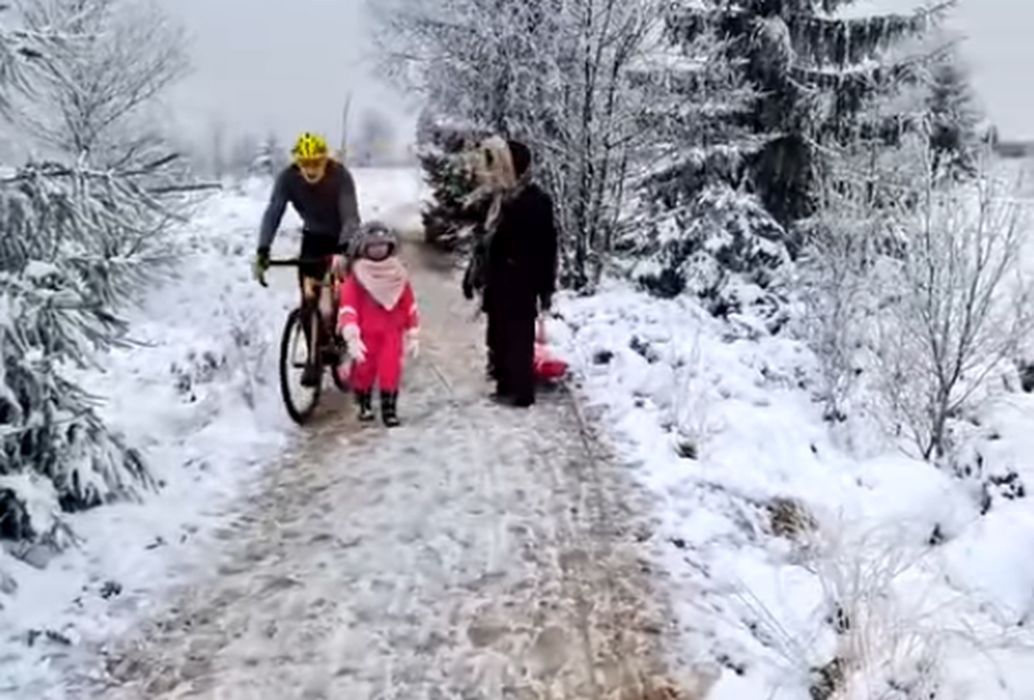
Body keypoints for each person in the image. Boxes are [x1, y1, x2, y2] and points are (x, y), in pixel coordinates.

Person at [252, 132, 361, 386]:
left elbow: (350, 215)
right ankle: (315, 355)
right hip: (313, 237)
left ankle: (347, 332)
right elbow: (273, 211)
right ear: (297, 163)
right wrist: (263, 250)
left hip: (343, 236)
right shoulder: (288, 179)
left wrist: (344, 249)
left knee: (342, 289)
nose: (311, 169)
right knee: (309, 297)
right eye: (305, 163)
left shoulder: (340, 175)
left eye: (316, 162)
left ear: (325, 160)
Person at [465, 136, 558, 408]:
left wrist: (545, 287)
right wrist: (474, 274)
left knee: (519, 337)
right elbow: (485, 243)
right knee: (498, 334)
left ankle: (522, 392)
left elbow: (547, 247)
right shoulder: (498, 199)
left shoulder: (535, 200)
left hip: (521, 282)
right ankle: (504, 383)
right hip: (499, 281)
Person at [337, 222, 420, 427]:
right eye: (373, 246)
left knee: (390, 369)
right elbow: (349, 305)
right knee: (364, 370)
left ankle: (389, 409)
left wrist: (413, 331)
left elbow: (408, 302)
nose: (378, 250)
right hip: (366, 333)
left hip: (392, 331)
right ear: (364, 248)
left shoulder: (398, 274)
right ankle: (363, 402)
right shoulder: (357, 276)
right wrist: (351, 332)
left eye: (382, 245)